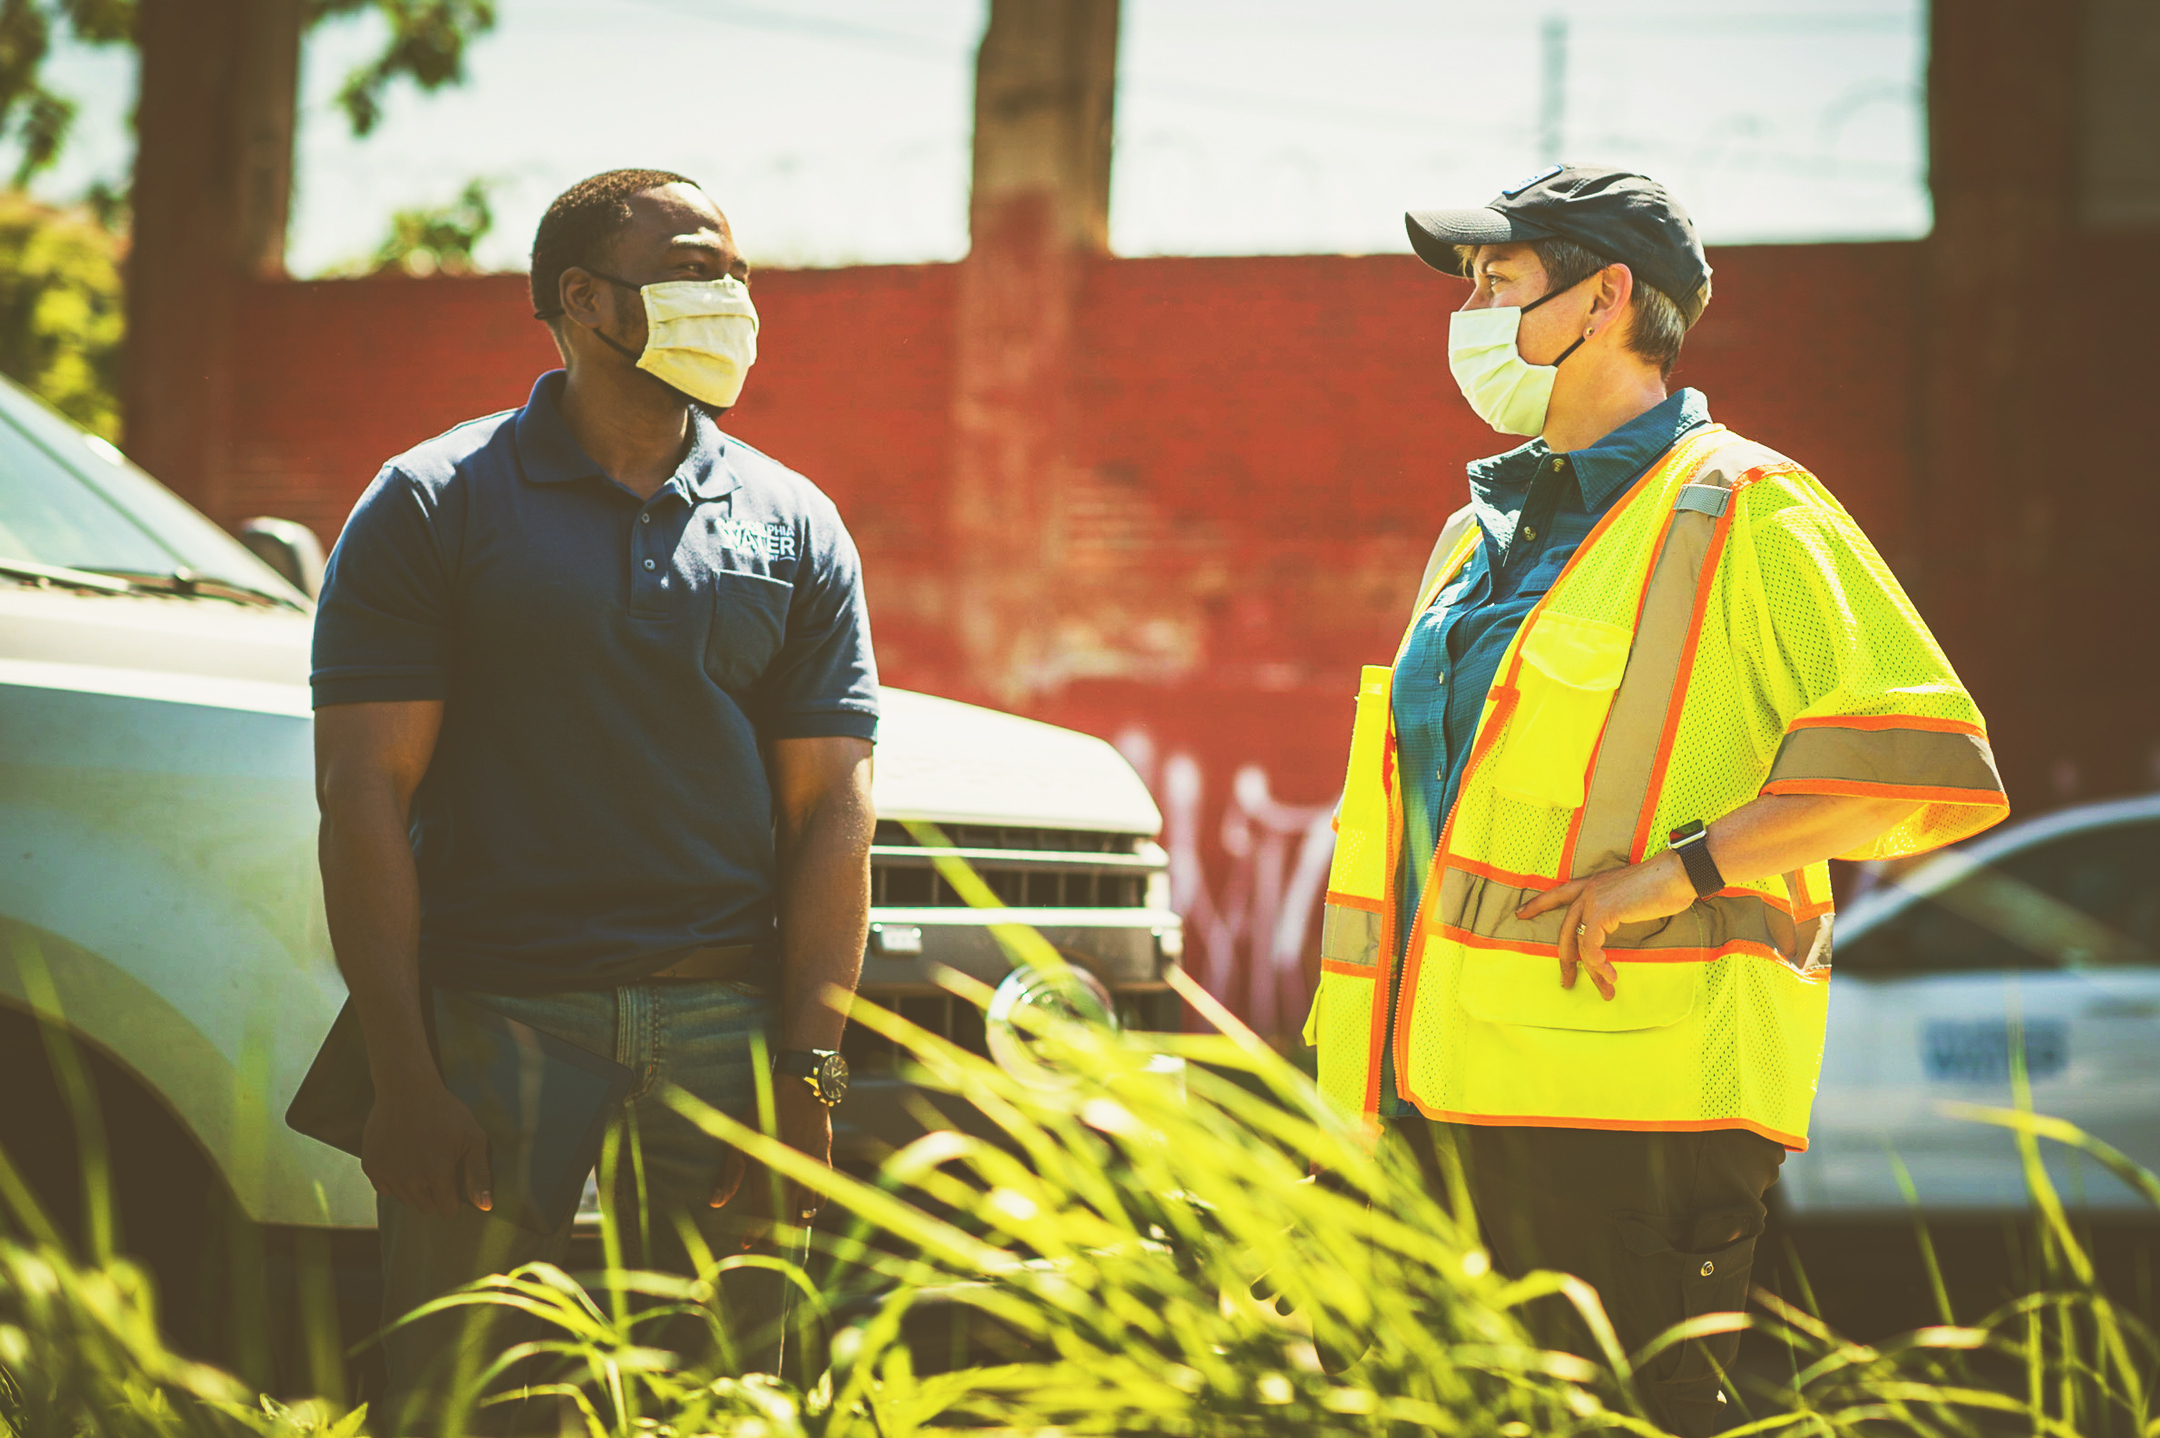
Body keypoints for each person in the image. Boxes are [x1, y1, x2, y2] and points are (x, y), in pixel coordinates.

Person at [1302, 166, 2008, 1435]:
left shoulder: (1746, 505)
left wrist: (1673, 873)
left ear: (1606, 298)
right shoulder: (1479, 538)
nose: (1469, 308)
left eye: (1498, 279)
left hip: (1626, 1107)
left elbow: (1920, 761)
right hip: (1422, 1093)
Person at [310, 168, 877, 1429]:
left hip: (727, 1030)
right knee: (459, 1396)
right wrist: (403, 1071)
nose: (732, 296)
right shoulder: (431, 503)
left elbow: (833, 807)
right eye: (693, 266)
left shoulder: (794, 524)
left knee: (721, 1397)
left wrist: (809, 1065)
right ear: (583, 297)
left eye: (737, 270)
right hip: (497, 1021)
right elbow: (361, 794)